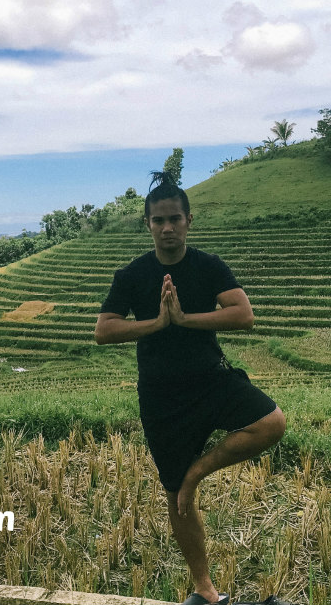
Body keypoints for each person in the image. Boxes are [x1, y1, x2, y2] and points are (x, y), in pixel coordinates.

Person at [94, 171, 286, 605]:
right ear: (147, 224)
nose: (167, 227)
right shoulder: (132, 275)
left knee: (271, 422)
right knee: (174, 495)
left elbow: (243, 314)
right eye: (158, 220)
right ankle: (205, 590)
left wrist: (184, 320)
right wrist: (157, 324)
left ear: (188, 221)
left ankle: (196, 472)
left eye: (174, 219)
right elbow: (104, 330)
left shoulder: (208, 265)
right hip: (161, 396)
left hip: (212, 379)